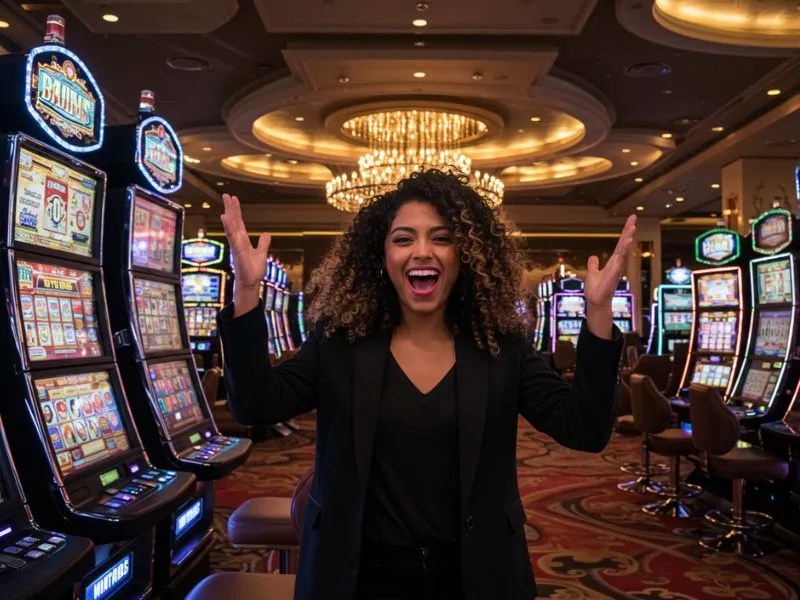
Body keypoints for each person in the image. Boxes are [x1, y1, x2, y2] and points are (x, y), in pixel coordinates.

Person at [217, 168, 636, 600]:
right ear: (380, 255)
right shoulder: (340, 343)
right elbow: (256, 405)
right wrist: (248, 291)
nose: (422, 252)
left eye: (441, 237)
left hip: (473, 574)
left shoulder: (500, 347)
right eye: (403, 239)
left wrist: (600, 313)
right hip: (358, 573)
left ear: (466, 254)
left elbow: (584, 430)